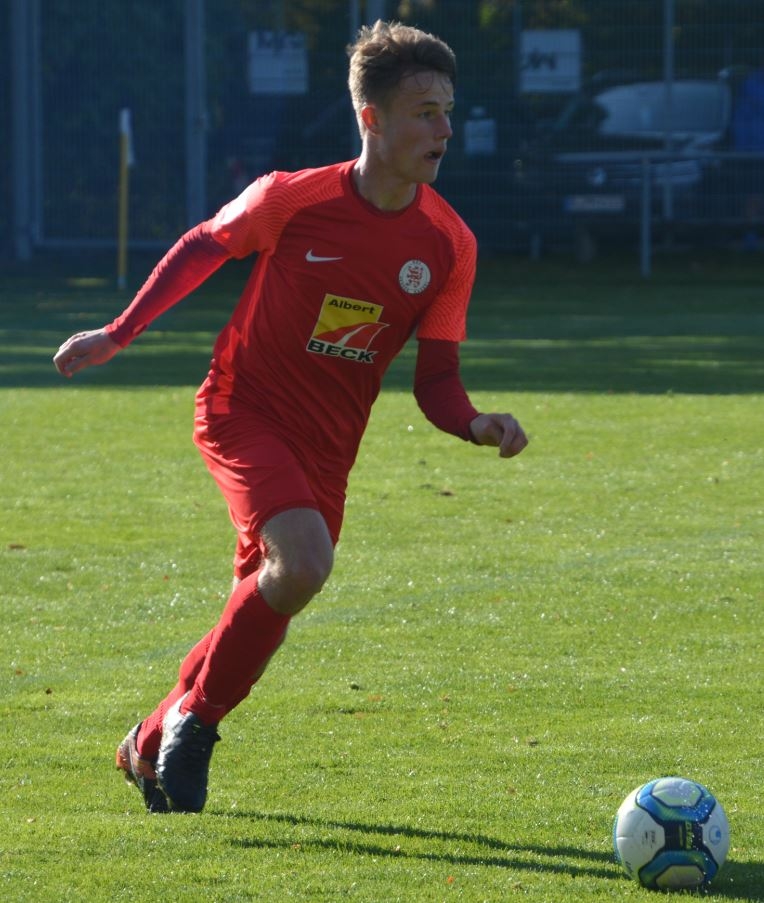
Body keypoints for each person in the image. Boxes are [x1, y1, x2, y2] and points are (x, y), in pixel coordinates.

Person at [53, 20, 528, 814]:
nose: (444, 130)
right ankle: (198, 723)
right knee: (303, 562)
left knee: (272, 592)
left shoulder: (450, 244)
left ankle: (149, 738)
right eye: (424, 113)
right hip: (241, 409)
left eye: (447, 112)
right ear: (371, 118)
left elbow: (436, 378)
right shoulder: (292, 198)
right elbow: (205, 244)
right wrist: (119, 332)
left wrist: (474, 422)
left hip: (327, 450)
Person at [732, 62, 764, 250]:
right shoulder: (750, 88)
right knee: (754, 195)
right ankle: (751, 237)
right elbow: (741, 122)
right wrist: (742, 148)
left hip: (752, 150)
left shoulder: (749, 87)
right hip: (754, 152)